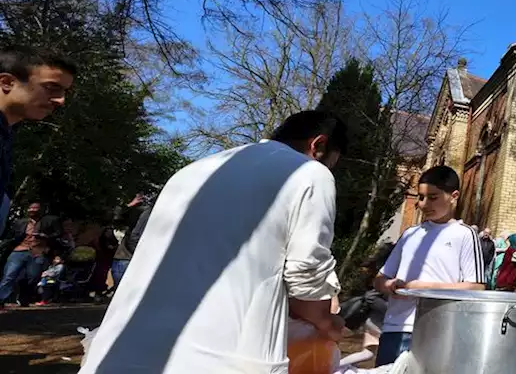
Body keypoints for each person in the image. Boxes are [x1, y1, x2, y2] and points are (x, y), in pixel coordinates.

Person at [79, 110, 347, 373]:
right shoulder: (309, 173)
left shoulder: (195, 169)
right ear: (318, 145)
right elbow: (305, 273)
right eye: (330, 162)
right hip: (217, 356)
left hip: (123, 346)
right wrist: (326, 322)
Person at [373, 165, 484, 365]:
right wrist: (389, 286)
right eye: (420, 197)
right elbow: (381, 278)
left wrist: (422, 288)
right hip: (396, 328)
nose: (424, 204)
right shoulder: (410, 234)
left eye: (433, 197)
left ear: (454, 196)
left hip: (438, 329)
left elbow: (476, 287)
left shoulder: (465, 234)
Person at [0, 49, 75, 225]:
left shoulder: (8, 134)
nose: (61, 100)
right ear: (7, 82)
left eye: (64, 92)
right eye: (52, 88)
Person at [0, 201, 52, 306]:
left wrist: (45, 237)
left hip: (37, 252)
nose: (32, 210)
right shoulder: (21, 222)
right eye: (30, 208)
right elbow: (12, 235)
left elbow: (57, 235)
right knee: (9, 275)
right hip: (19, 250)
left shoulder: (47, 222)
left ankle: (24, 297)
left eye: (35, 208)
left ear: (41, 210)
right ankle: (1, 299)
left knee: (33, 277)